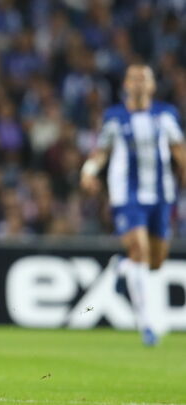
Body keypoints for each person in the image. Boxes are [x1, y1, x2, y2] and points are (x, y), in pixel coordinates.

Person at [80, 64, 186, 347]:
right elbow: (102, 151)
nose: (139, 83)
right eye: (134, 78)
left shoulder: (165, 114)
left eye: (144, 78)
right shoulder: (114, 116)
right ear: (126, 84)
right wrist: (89, 171)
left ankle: (124, 267)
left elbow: (178, 148)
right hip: (127, 195)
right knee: (139, 249)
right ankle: (148, 325)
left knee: (157, 259)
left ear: (152, 86)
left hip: (161, 195)